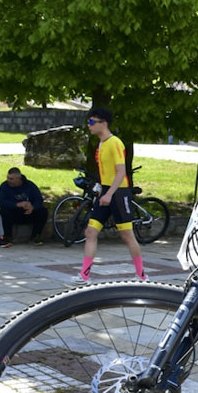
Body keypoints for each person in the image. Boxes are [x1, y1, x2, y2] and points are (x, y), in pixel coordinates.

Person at [76, 107, 146, 283]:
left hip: (119, 192)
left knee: (127, 235)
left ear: (103, 123)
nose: (89, 125)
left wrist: (109, 194)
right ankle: (84, 275)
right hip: (106, 191)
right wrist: (102, 190)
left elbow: (121, 172)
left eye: (92, 122)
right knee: (90, 232)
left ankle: (141, 275)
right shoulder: (102, 144)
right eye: (89, 122)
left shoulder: (114, 142)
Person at [0, 168, 48, 244]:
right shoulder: (4, 186)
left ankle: (36, 235)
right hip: (13, 213)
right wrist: (17, 204)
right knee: (4, 212)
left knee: (43, 211)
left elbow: (39, 199)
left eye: (11, 179)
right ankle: (7, 237)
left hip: (28, 213)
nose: (8, 180)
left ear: (18, 179)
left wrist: (33, 207)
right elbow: (2, 202)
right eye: (8, 178)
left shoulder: (30, 185)